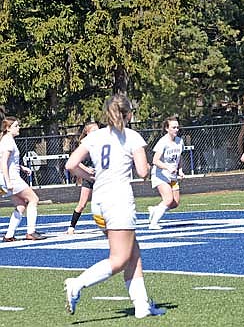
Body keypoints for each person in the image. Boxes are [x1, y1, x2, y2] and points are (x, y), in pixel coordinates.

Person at [64, 94, 165, 319]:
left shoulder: (95, 136)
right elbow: (142, 171)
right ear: (128, 114)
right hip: (118, 201)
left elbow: (71, 164)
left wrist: (88, 173)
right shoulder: (132, 137)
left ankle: (141, 306)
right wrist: (146, 165)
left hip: (98, 202)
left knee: (133, 253)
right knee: (119, 258)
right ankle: (77, 283)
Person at [0, 117, 46, 241]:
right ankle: (31, 232)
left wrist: (21, 167)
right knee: (33, 199)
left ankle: (9, 235)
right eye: (16, 126)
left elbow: (8, 161)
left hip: (5, 179)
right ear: (8, 128)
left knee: (20, 205)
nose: (18, 127)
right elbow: (3, 163)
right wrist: (8, 181)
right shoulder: (8, 141)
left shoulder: (6, 140)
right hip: (11, 179)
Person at [147, 116, 185, 230]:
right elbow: (155, 160)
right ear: (167, 128)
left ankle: (155, 209)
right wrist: (167, 167)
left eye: (177, 127)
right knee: (168, 200)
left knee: (175, 203)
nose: (176, 129)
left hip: (173, 176)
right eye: (173, 127)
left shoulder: (180, 141)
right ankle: (153, 223)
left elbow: (179, 158)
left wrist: (180, 170)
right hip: (161, 175)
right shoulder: (163, 142)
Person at [67, 122, 99, 235]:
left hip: (100, 177)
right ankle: (71, 226)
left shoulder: (101, 143)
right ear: (87, 133)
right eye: (94, 131)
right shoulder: (84, 145)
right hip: (89, 176)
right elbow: (74, 161)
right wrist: (86, 169)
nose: (97, 133)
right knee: (82, 204)